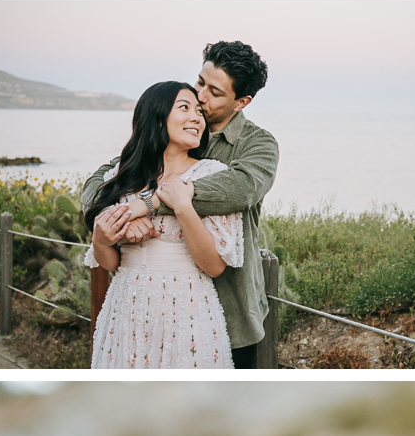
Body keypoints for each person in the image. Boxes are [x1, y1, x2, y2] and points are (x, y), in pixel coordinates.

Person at [81, 41, 278, 370]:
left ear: (242, 101)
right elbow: (101, 181)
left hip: (226, 306)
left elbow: (240, 190)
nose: (200, 96)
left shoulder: (257, 145)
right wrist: (110, 217)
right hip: (137, 312)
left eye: (214, 92)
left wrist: (150, 203)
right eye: (200, 82)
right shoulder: (154, 151)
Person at [84, 81, 241, 368]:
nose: (196, 117)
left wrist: (182, 207)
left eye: (199, 112)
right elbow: (111, 264)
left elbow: (215, 266)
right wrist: (101, 239)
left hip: (187, 308)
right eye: (184, 108)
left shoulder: (211, 174)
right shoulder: (123, 175)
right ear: (157, 117)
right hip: (125, 307)